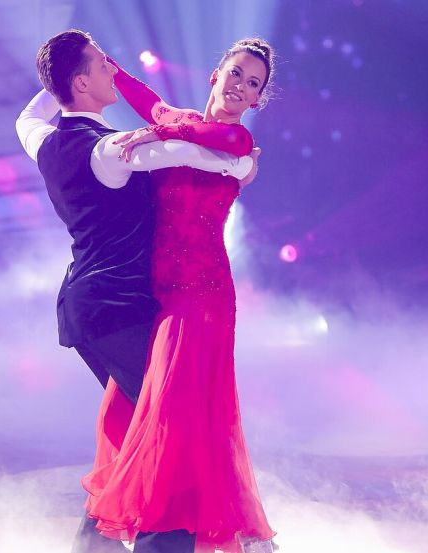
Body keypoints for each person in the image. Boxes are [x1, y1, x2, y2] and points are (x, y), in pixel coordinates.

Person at [14, 29, 256, 553]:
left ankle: (94, 543)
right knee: (176, 427)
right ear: (81, 83)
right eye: (102, 68)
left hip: (91, 308)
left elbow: (25, 119)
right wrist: (238, 164)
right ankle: (161, 541)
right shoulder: (111, 149)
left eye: (252, 81)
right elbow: (180, 153)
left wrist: (57, 85)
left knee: (135, 420)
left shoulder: (43, 137)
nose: (112, 73)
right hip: (118, 308)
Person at [81, 39, 278, 553]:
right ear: (216, 74)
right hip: (157, 291)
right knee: (121, 408)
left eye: (252, 83)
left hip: (202, 297)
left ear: (257, 99)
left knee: (173, 411)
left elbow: (182, 128)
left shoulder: (232, 139)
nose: (240, 86)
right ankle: (122, 528)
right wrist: (109, 68)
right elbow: (152, 103)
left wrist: (155, 130)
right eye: (236, 73)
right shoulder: (185, 120)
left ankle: (172, 528)